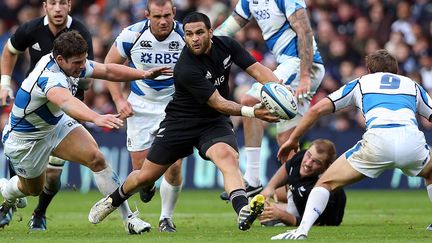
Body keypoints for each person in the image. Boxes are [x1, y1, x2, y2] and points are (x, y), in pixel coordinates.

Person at [88, 12, 280, 231]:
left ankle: (242, 209)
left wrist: (281, 88)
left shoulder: (227, 45)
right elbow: (218, 102)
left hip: (212, 121)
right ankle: (113, 199)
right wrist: (252, 111)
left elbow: (257, 70)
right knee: (145, 176)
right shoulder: (185, 67)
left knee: (228, 157)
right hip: (181, 123)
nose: (194, 38)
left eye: (199, 33)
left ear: (211, 32)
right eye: (189, 34)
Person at [0, 31, 170, 234]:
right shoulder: (48, 77)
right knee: (32, 190)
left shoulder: (69, 64)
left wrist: (143, 74)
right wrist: (96, 117)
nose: (83, 66)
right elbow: (66, 102)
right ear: (61, 59)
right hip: (25, 139)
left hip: (54, 125)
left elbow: (107, 71)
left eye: (84, 60)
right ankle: (6, 191)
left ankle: (129, 220)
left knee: (96, 158)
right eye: (78, 62)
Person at [271, 49, 432, 240]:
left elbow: (316, 110)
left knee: (325, 183)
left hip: (378, 141)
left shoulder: (361, 82)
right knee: (430, 173)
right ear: (396, 71)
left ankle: (302, 231)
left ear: (369, 70)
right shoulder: (412, 85)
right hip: (411, 141)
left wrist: (293, 139)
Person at [215, 0, 325, 199]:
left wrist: (306, 75)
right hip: (292, 65)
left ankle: (253, 179)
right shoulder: (249, 1)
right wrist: (206, 42)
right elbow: (228, 29)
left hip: (299, 64)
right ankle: (296, 204)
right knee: (287, 142)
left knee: (249, 101)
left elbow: (305, 31)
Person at [0, 0, 94, 230]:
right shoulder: (31, 29)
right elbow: (10, 51)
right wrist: (5, 83)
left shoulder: (80, 32)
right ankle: (8, 203)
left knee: (52, 175)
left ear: (70, 6)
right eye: (53, 2)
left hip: (65, 111)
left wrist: (80, 82)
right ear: (45, 6)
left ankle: (39, 213)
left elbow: (88, 76)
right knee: (24, 167)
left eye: (63, 2)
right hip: (34, 108)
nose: (58, 8)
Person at [106, 0, 184, 232]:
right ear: (147, 15)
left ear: (174, 13)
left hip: (174, 105)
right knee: (142, 174)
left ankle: (166, 218)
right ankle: (147, 187)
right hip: (140, 105)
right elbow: (110, 66)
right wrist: (120, 100)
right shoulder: (131, 35)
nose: (163, 21)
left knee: (174, 165)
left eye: (167, 16)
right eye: (157, 16)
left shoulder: (185, 35)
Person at [259, 139, 346, 227]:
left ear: (326, 168)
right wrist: (270, 187)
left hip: (316, 217)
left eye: (316, 162)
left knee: (269, 214)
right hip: (297, 195)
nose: (308, 163)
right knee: (266, 201)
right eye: (308, 155)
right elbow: (288, 167)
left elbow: (310, 223)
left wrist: (281, 215)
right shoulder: (302, 156)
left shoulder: (320, 191)